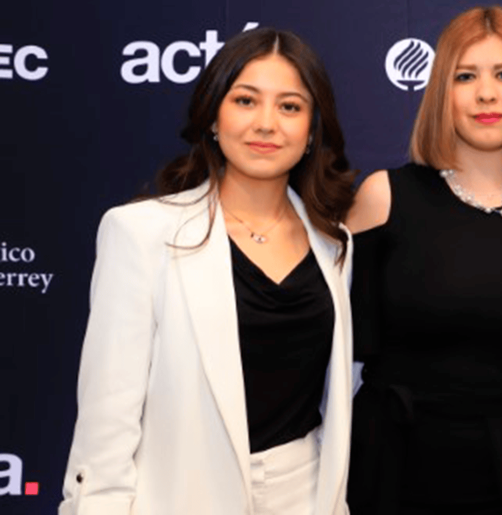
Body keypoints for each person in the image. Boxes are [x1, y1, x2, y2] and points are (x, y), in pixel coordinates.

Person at [59, 28, 355, 515]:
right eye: (245, 100)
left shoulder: (334, 244)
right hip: (182, 495)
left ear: (311, 131)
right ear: (214, 117)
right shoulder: (141, 233)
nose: (266, 124)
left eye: (289, 107)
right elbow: (107, 420)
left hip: (305, 495)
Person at [345, 5, 502, 515]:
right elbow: (340, 356)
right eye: (466, 76)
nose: (486, 94)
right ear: (441, 91)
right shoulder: (383, 197)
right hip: (395, 464)